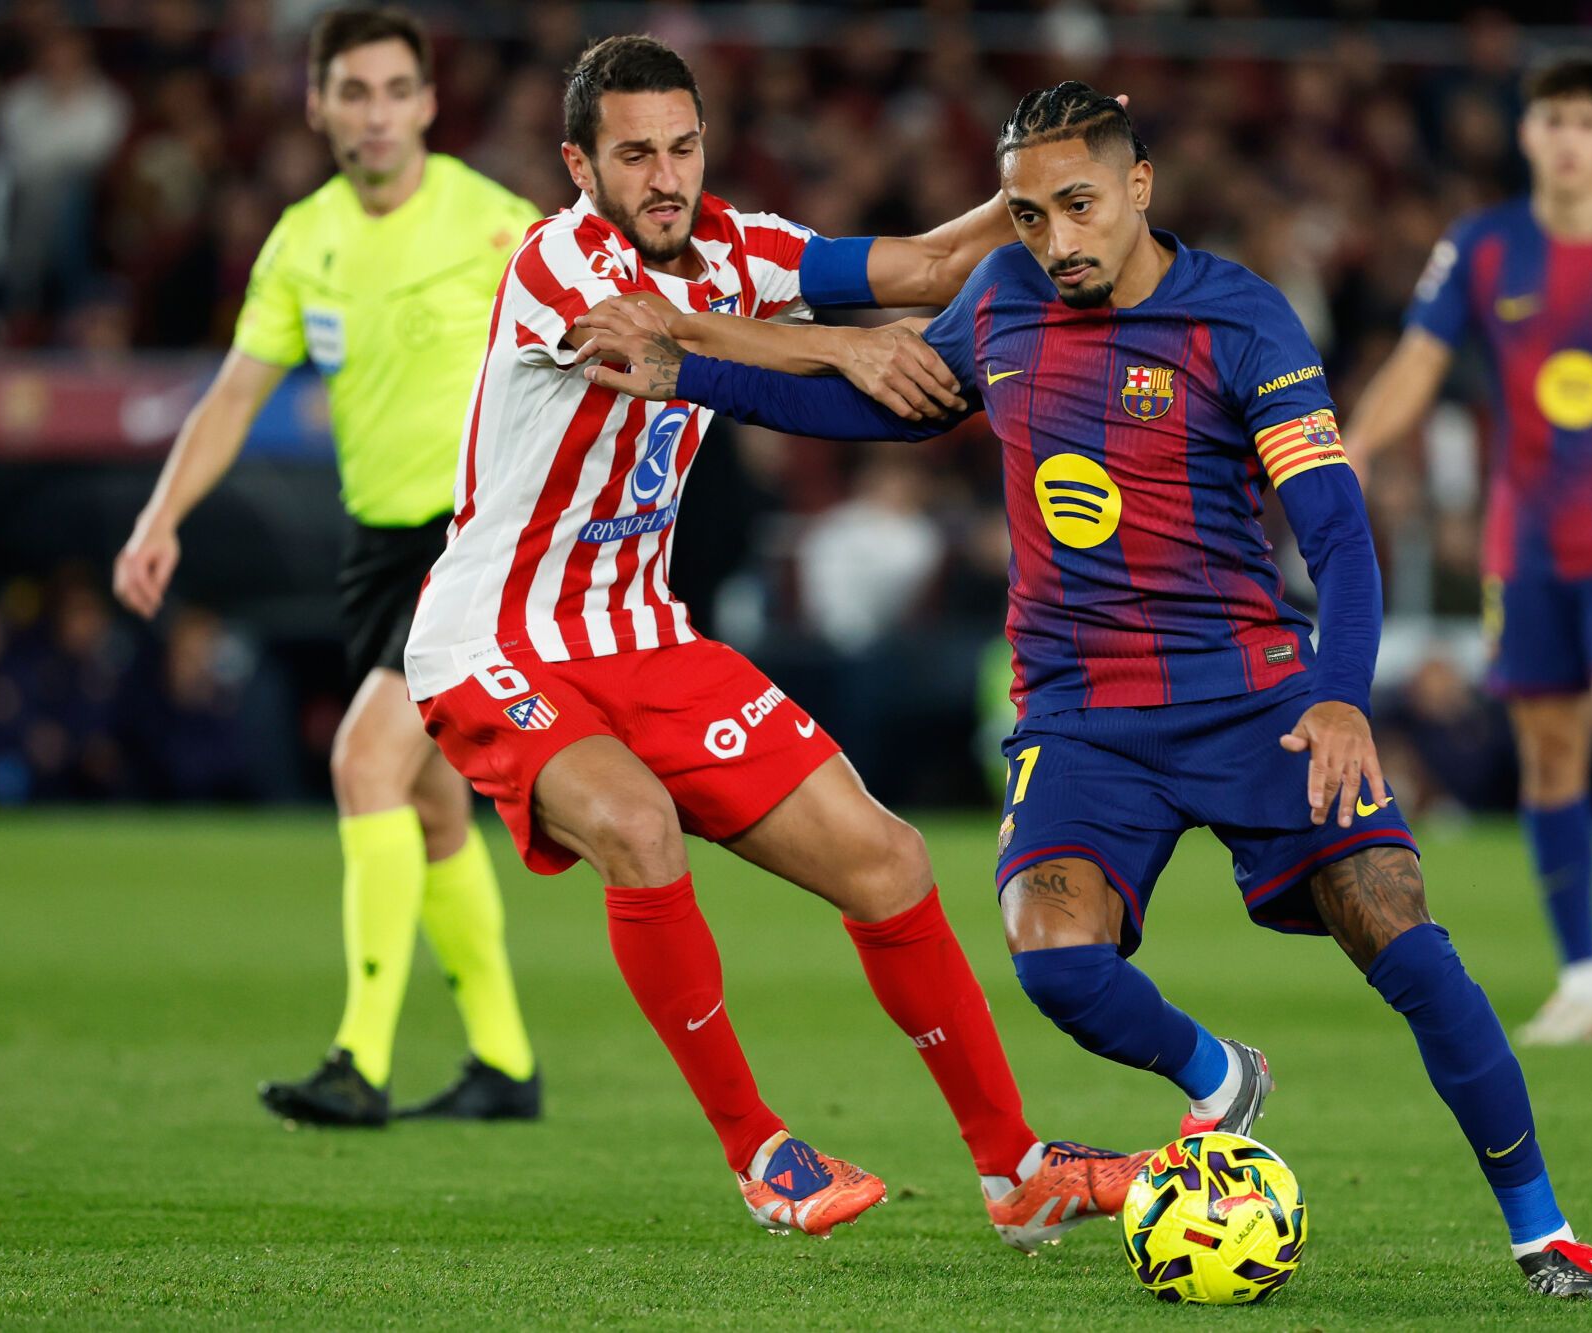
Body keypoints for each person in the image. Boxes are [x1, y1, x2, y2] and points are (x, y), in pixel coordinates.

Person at [583, 81, 1592, 1300]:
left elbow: (1338, 535)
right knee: (1051, 959)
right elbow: (874, 406)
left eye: (1078, 205)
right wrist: (683, 373)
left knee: (1402, 937)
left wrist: (1340, 694)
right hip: (1082, 711)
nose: (1055, 241)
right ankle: (1216, 1074)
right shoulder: (1005, 300)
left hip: (1256, 698)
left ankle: (1542, 1231)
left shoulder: (1241, 322)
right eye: (1026, 215)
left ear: (1138, 187)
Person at [402, 35, 1145, 1249]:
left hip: (643, 634)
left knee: (888, 860)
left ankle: (1013, 1169)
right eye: (632, 153)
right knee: (636, 825)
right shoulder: (554, 262)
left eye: (681, 148)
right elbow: (656, 332)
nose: (662, 177)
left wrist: (1051, 178)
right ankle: (759, 1154)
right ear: (577, 165)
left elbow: (930, 264)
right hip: (498, 640)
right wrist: (835, 343)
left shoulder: (745, 248)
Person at [113, 7, 544, 1126]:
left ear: (429, 103)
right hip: (378, 546)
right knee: (433, 806)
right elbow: (232, 397)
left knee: (363, 759)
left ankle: (359, 1058)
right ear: (316, 107)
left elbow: (602, 341)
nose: (375, 112)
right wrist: (161, 516)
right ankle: (504, 1065)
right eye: (352, 92)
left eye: (395, 88)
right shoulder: (303, 239)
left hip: (475, 540)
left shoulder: (499, 226)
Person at [1346, 54, 1592, 1044]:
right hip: (1521, 541)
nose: (1567, 139)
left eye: (1584, 123)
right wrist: (1350, 451)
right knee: (1550, 747)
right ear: (1525, 134)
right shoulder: (1482, 247)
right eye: (1551, 121)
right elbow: (1418, 360)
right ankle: (1577, 974)